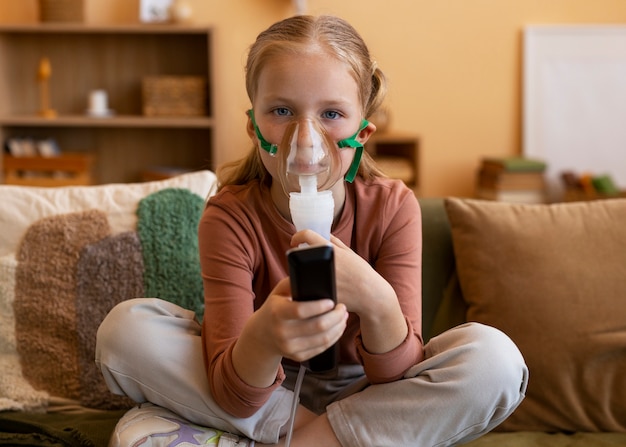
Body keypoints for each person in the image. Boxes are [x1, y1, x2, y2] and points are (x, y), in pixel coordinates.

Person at [96, 14, 528, 447]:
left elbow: (396, 376)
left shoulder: (394, 208)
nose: (305, 140)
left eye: (332, 113)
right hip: (268, 391)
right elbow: (236, 394)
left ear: (363, 132)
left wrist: (377, 302)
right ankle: (329, 439)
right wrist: (264, 336)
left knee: (495, 362)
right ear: (254, 126)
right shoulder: (229, 216)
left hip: (369, 393)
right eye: (282, 111)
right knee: (125, 332)